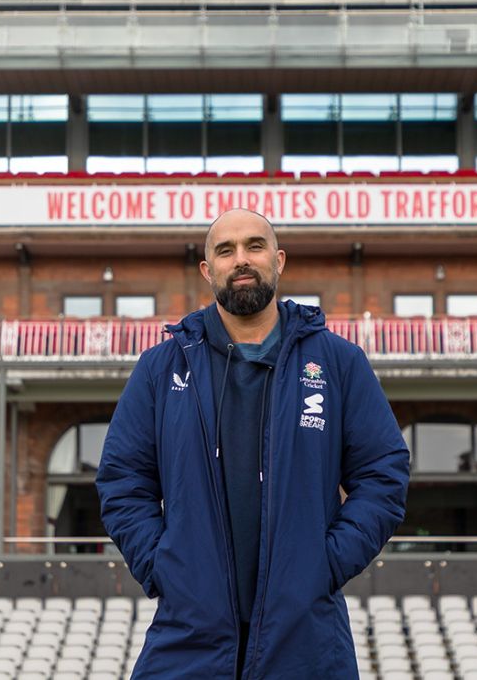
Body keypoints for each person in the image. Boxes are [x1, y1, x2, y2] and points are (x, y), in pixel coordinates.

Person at [96, 208, 410, 679]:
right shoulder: (162, 368)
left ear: (279, 260)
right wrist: (163, 565)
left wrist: (325, 564)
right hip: (187, 642)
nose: (241, 259)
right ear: (208, 270)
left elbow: (383, 475)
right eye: (226, 250)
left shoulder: (338, 363)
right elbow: (123, 481)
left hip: (307, 646)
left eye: (254, 246)